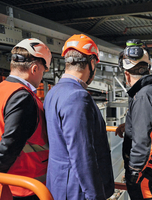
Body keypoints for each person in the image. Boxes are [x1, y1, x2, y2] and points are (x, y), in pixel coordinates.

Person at [43, 34, 114, 200]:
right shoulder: (77, 96)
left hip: (58, 183)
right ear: (92, 63)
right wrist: (95, 196)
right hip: (76, 190)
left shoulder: (53, 92)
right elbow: (82, 155)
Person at [115, 39, 152, 200]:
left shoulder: (143, 97)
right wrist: (130, 125)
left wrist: (134, 171)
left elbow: (143, 143)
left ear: (126, 73)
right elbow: (150, 124)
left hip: (145, 171)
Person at [0, 38, 51, 199]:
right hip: (26, 187)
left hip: (10, 184)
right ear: (35, 69)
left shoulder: (3, 89)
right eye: (43, 71)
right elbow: (9, 145)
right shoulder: (22, 97)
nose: (42, 77)